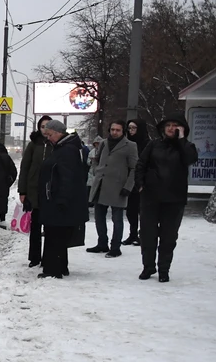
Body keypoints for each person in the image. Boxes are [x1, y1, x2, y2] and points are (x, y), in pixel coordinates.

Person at [134, 115, 198, 282]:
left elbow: (190, 159)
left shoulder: (187, 146)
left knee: (168, 236)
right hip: (150, 196)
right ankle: (148, 266)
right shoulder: (153, 145)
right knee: (148, 234)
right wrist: (140, 184)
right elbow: (141, 164)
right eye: (168, 125)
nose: (171, 128)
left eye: (175, 125)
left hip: (174, 198)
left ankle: (164, 269)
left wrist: (182, 139)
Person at [37, 120, 89, 279]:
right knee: (55, 234)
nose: (49, 138)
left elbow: (68, 178)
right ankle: (59, 266)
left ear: (59, 133)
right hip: (56, 199)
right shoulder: (63, 148)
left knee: (55, 235)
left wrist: (62, 200)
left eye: (50, 135)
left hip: (60, 201)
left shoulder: (67, 150)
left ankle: (54, 270)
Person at [87, 120, 138, 258]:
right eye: (112, 129)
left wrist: (128, 186)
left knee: (117, 218)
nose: (114, 132)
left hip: (118, 186)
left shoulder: (130, 146)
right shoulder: (103, 143)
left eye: (118, 130)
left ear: (123, 131)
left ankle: (115, 247)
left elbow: (134, 168)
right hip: (101, 184)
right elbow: (97, 159)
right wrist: (97, 170)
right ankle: (102, 243)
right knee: (99, 216)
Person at [18, 115, 53, 267]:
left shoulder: (56, 143)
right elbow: (25, 167)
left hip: (50, 192)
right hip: (34, 191)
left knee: (50, 227)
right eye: (42, 126)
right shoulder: (33, 144)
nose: (44, 129)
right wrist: (22, 190)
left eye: (47, 126)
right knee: (35, 227)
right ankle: (34, 257)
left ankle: (48, 257)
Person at [123, 119, 151, 245]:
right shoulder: (126, 143)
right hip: (129, 180)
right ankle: (133, 234)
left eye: (134, 128)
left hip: (143, 181)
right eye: (129, 128)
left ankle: (143, 234)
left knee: (143, 210)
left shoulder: (147, 144)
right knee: (131, 210)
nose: (131, 131)